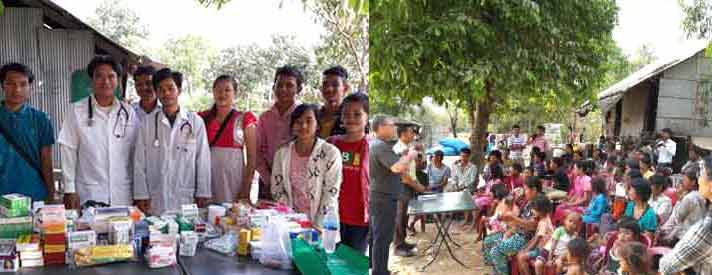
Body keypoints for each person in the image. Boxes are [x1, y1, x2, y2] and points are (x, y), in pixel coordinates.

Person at [59, 56, 140, 209]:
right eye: (99, 76)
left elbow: (136, 155)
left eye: (111, 76)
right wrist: (69, 189)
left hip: (122, 194)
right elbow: (68, 150)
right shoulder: (76, 111)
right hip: (89, 194)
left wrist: (140, 192)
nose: (106, 81)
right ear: (91, 80)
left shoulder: (128, 113)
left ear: (117, 80)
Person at [133, 68, 211, 215]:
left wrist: (203, 191)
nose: (166, 93)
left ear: (179, 90)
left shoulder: (195, 122)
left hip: (185, 194)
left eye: (170, 88)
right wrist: (141, 194)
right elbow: (139, 162)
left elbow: (203, 159)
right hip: (156, 195)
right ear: (156, 92)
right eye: (161, 89)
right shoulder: (147, 123)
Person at [368, 115, 425, 275]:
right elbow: (397, 168)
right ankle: (380, 271)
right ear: (380, 127)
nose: (394, 128)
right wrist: (411, 155)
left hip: (382, 195)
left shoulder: (381, 145)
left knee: (378, 236)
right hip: (383, 197)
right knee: (382, 237)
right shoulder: (380, 146)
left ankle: (377, 268)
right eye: (391, 125)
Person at [270, 104, 342, 227]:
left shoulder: (330, 153)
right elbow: (277, 189)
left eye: (309, 121)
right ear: (292, 126)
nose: (303, 126)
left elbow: (331, 192)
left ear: (318, 125)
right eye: (298, 122)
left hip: (322, 224)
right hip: (291, 223)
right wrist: (292, 218)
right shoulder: (282, 153)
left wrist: (318, 225)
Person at [0, 62, 55, 202]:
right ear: (2, 86)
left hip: (34, 194)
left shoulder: (40, 119)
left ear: (30, 87)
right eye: (11, 83)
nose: (17, 89)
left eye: (23, 84)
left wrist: (50, 194)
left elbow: (46, 160)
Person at [198, 75, 258, 203]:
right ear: (213, 92)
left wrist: (246, 188)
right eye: (218, 89)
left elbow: (252, 158)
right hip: (207, 177)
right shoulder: (202, 118)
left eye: (227, 90)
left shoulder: (245, 119)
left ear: (235, 93)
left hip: (233, 179)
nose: (222, 94)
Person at [327, 93, 369, 254]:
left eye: (357, 114)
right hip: (331, 218)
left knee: (352, 266)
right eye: (346, 114)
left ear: (367, 117)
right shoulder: (331, 143)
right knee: (329, 263)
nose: (351, 118)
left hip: (360, 221)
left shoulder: (372, 146)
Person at [256, 65, 303, 200]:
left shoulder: (303, 116)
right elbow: (257, 152)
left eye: (289, 85)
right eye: (279, 85)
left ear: (298, 89)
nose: (283, 89)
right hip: (266, 182)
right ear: (273, 87)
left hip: (296, 183)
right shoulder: (265, 117)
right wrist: (269, 179)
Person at [659, 156, 712, 275]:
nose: (699, 180)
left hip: (686, 239)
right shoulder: (700, 198)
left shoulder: (690, 199)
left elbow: (667, 266)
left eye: (701, 176)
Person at [483, 176, 544, 275]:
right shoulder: (529, 201)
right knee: (489, 242)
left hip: (526, 239)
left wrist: (513, 218)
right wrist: (510, 227)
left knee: (495, 251)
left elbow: (532, 226)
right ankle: (497, 272)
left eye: (526, 189)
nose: (524, 192)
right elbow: (519, 220)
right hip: (517, 234)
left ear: (534, 190)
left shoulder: (539, 203)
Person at [659, 168, 708, 245]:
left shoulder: (689, 198)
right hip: (694, 234)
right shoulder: (700, 195)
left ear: (693, 182)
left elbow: (678, 217)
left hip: (684, 235)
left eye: (685, 180)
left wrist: (679, 201)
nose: (683, 182)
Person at [392, 122, 419, 257]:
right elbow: (401, 172)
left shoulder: (408, 148)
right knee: (399, 216)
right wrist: (417, 186)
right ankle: (397, 246)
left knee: (404, 216)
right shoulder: (398, 149)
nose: (413, 134)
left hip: (408, 186)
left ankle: (402, 241)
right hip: (401, 186)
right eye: (411, 132)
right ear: (403, 134)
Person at [516, 195, 554, 275]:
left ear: (541, 211)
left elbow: (537, 240)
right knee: (520, 254)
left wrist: (527, 250)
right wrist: (526, 248)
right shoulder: (545, 218)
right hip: (542, 248)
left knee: (521, 257)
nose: (532, 210)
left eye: (534, 209)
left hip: (543, 250)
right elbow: (535, 237)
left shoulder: (543, 223)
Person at [317, 66, 350, 139]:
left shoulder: (351, 118)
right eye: (325, 84)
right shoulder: (314, 116)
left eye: (335, 85)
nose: (329, 89)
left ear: (345, 88)